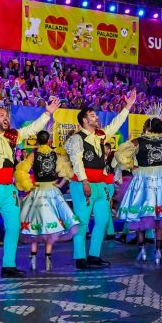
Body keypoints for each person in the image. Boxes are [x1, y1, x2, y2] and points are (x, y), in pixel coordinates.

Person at [0, 98, 60, 279]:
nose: (5, 118)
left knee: (13, 227)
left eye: (6, 115)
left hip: (8, 190)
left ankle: (8, 265)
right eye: (1, 115)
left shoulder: (11, 135)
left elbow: (31, 129)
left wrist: (47, 113)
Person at [64, 91, 136, 270]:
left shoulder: (100, 135)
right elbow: (76, 161)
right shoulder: (76, 138)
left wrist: (127, 106)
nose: (96, 117)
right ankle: (80, 258)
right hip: (83, 184)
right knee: (81, 221)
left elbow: (115, 124)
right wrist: (85, 181)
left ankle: (94, 255)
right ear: (84, 121)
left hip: (100, 184)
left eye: (95, 114)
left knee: (103, 220)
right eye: (92, 115)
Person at [114, 105, 162, 265]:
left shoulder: (137, 141)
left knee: (142, 213)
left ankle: (142, 249)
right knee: (161, 217)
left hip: (144, 177)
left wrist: (132, 166)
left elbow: (120, 154)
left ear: (148, 127)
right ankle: (158, 251)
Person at [15, 131, 77, 271]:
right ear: (49, 140)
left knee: (35, 225)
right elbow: (68, 171)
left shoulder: (33, 154)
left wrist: (28, 185)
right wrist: (60, 185)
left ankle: (33, 258)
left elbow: (20, 171)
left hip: (37, 191)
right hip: (52, 191)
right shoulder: (55, 154)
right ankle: (48, 258)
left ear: (37, 141)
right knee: (51, 227)